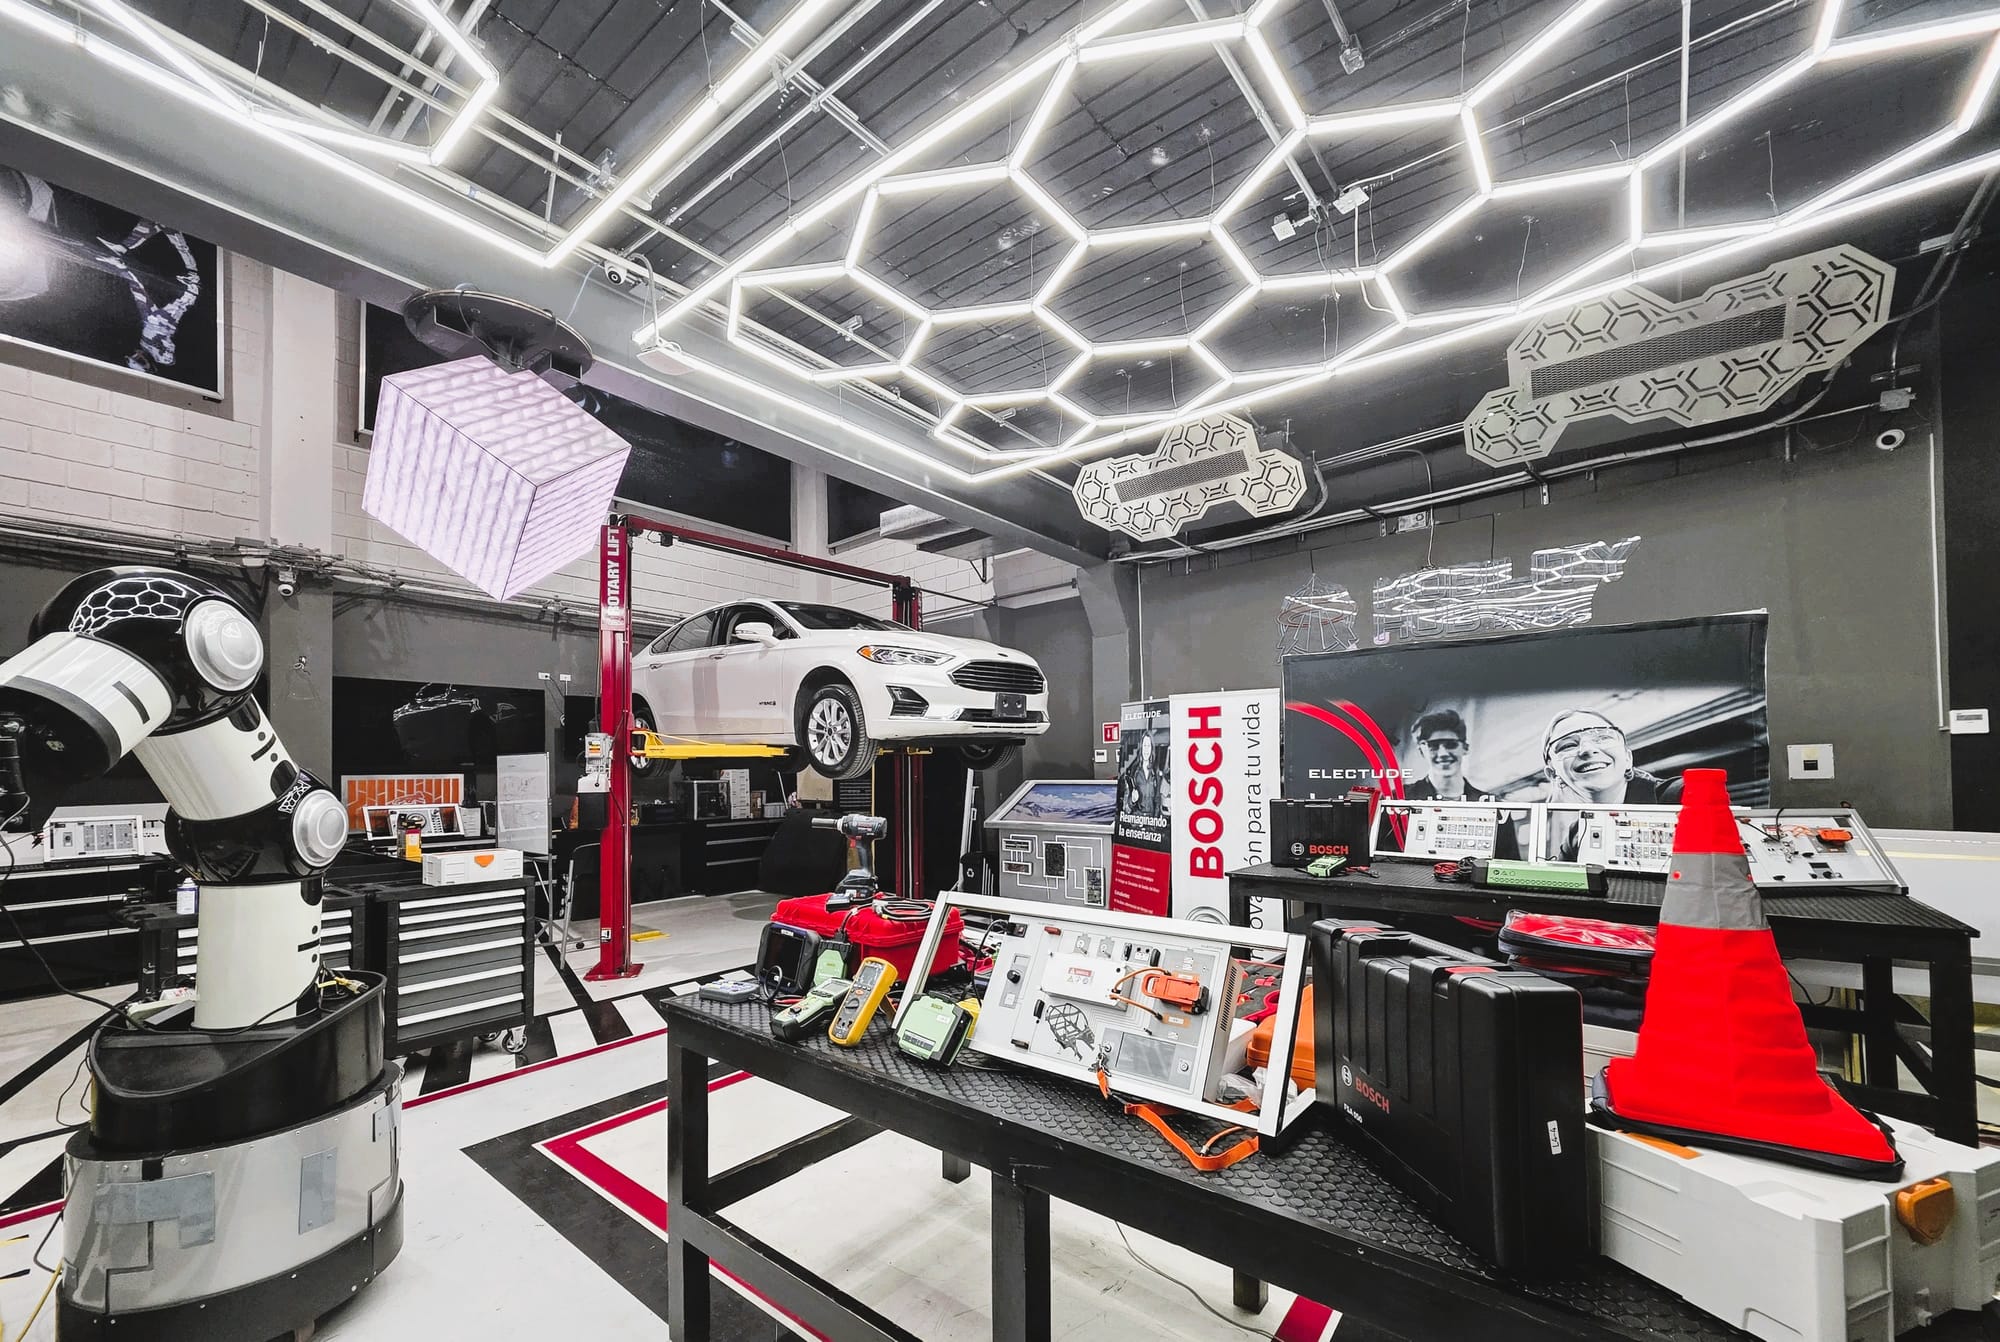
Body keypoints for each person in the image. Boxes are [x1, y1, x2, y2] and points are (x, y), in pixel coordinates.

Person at [1542, 708, 1684, 859]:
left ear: (1628, 758)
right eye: (1567, 745)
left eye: (1603, 737)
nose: (1587, 749)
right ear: (1553, 774)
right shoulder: (1577, 836)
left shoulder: (1684, 796)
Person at [1403, 709, 1499, 802]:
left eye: (1451, 744)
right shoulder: (1401, 798)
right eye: (1433, 745)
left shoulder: (1490, 804)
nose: (1443, 754)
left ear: (1465, 748)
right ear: (1421, 751)